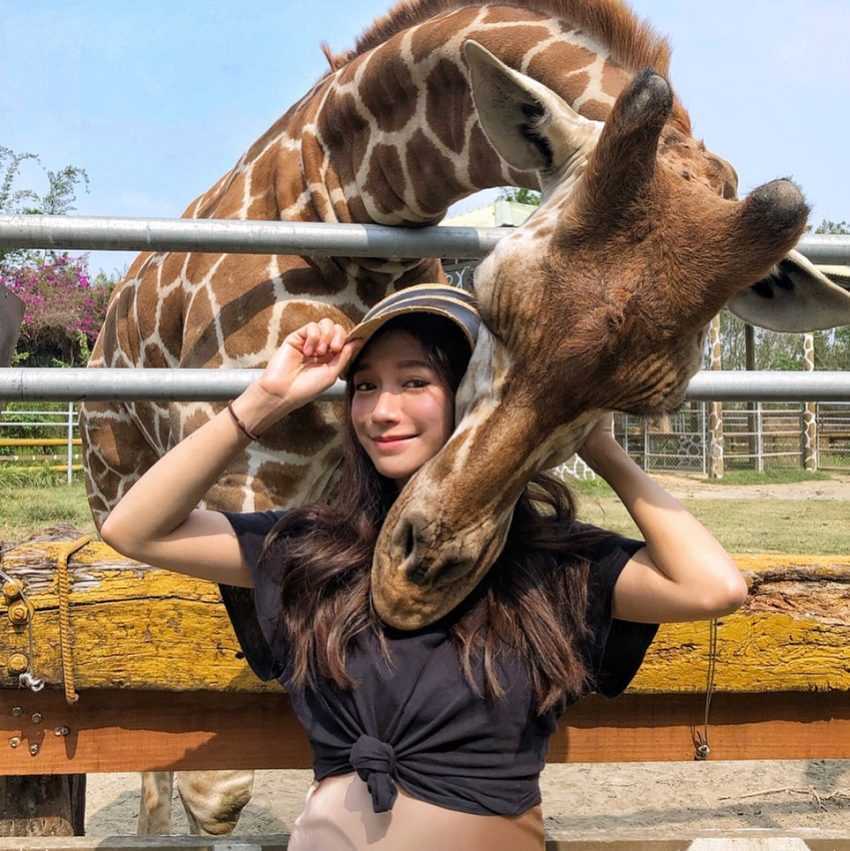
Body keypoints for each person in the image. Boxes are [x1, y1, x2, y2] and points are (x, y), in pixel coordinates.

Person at [101, 283, 748, 850]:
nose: (382, 410)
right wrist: (263, 401)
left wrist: (590, 436)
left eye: (415, 381)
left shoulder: (543, 560)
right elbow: (133, 528)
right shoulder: (316, 547)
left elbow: (712, 585)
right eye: (364, 386)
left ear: (475, 397)